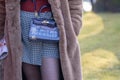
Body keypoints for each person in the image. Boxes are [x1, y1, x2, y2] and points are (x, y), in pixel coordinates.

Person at [0, 0, 83, 80]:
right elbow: (2, 6)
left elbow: (75, 3)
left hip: (51, 29)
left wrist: (72, 28)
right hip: (21, 31)